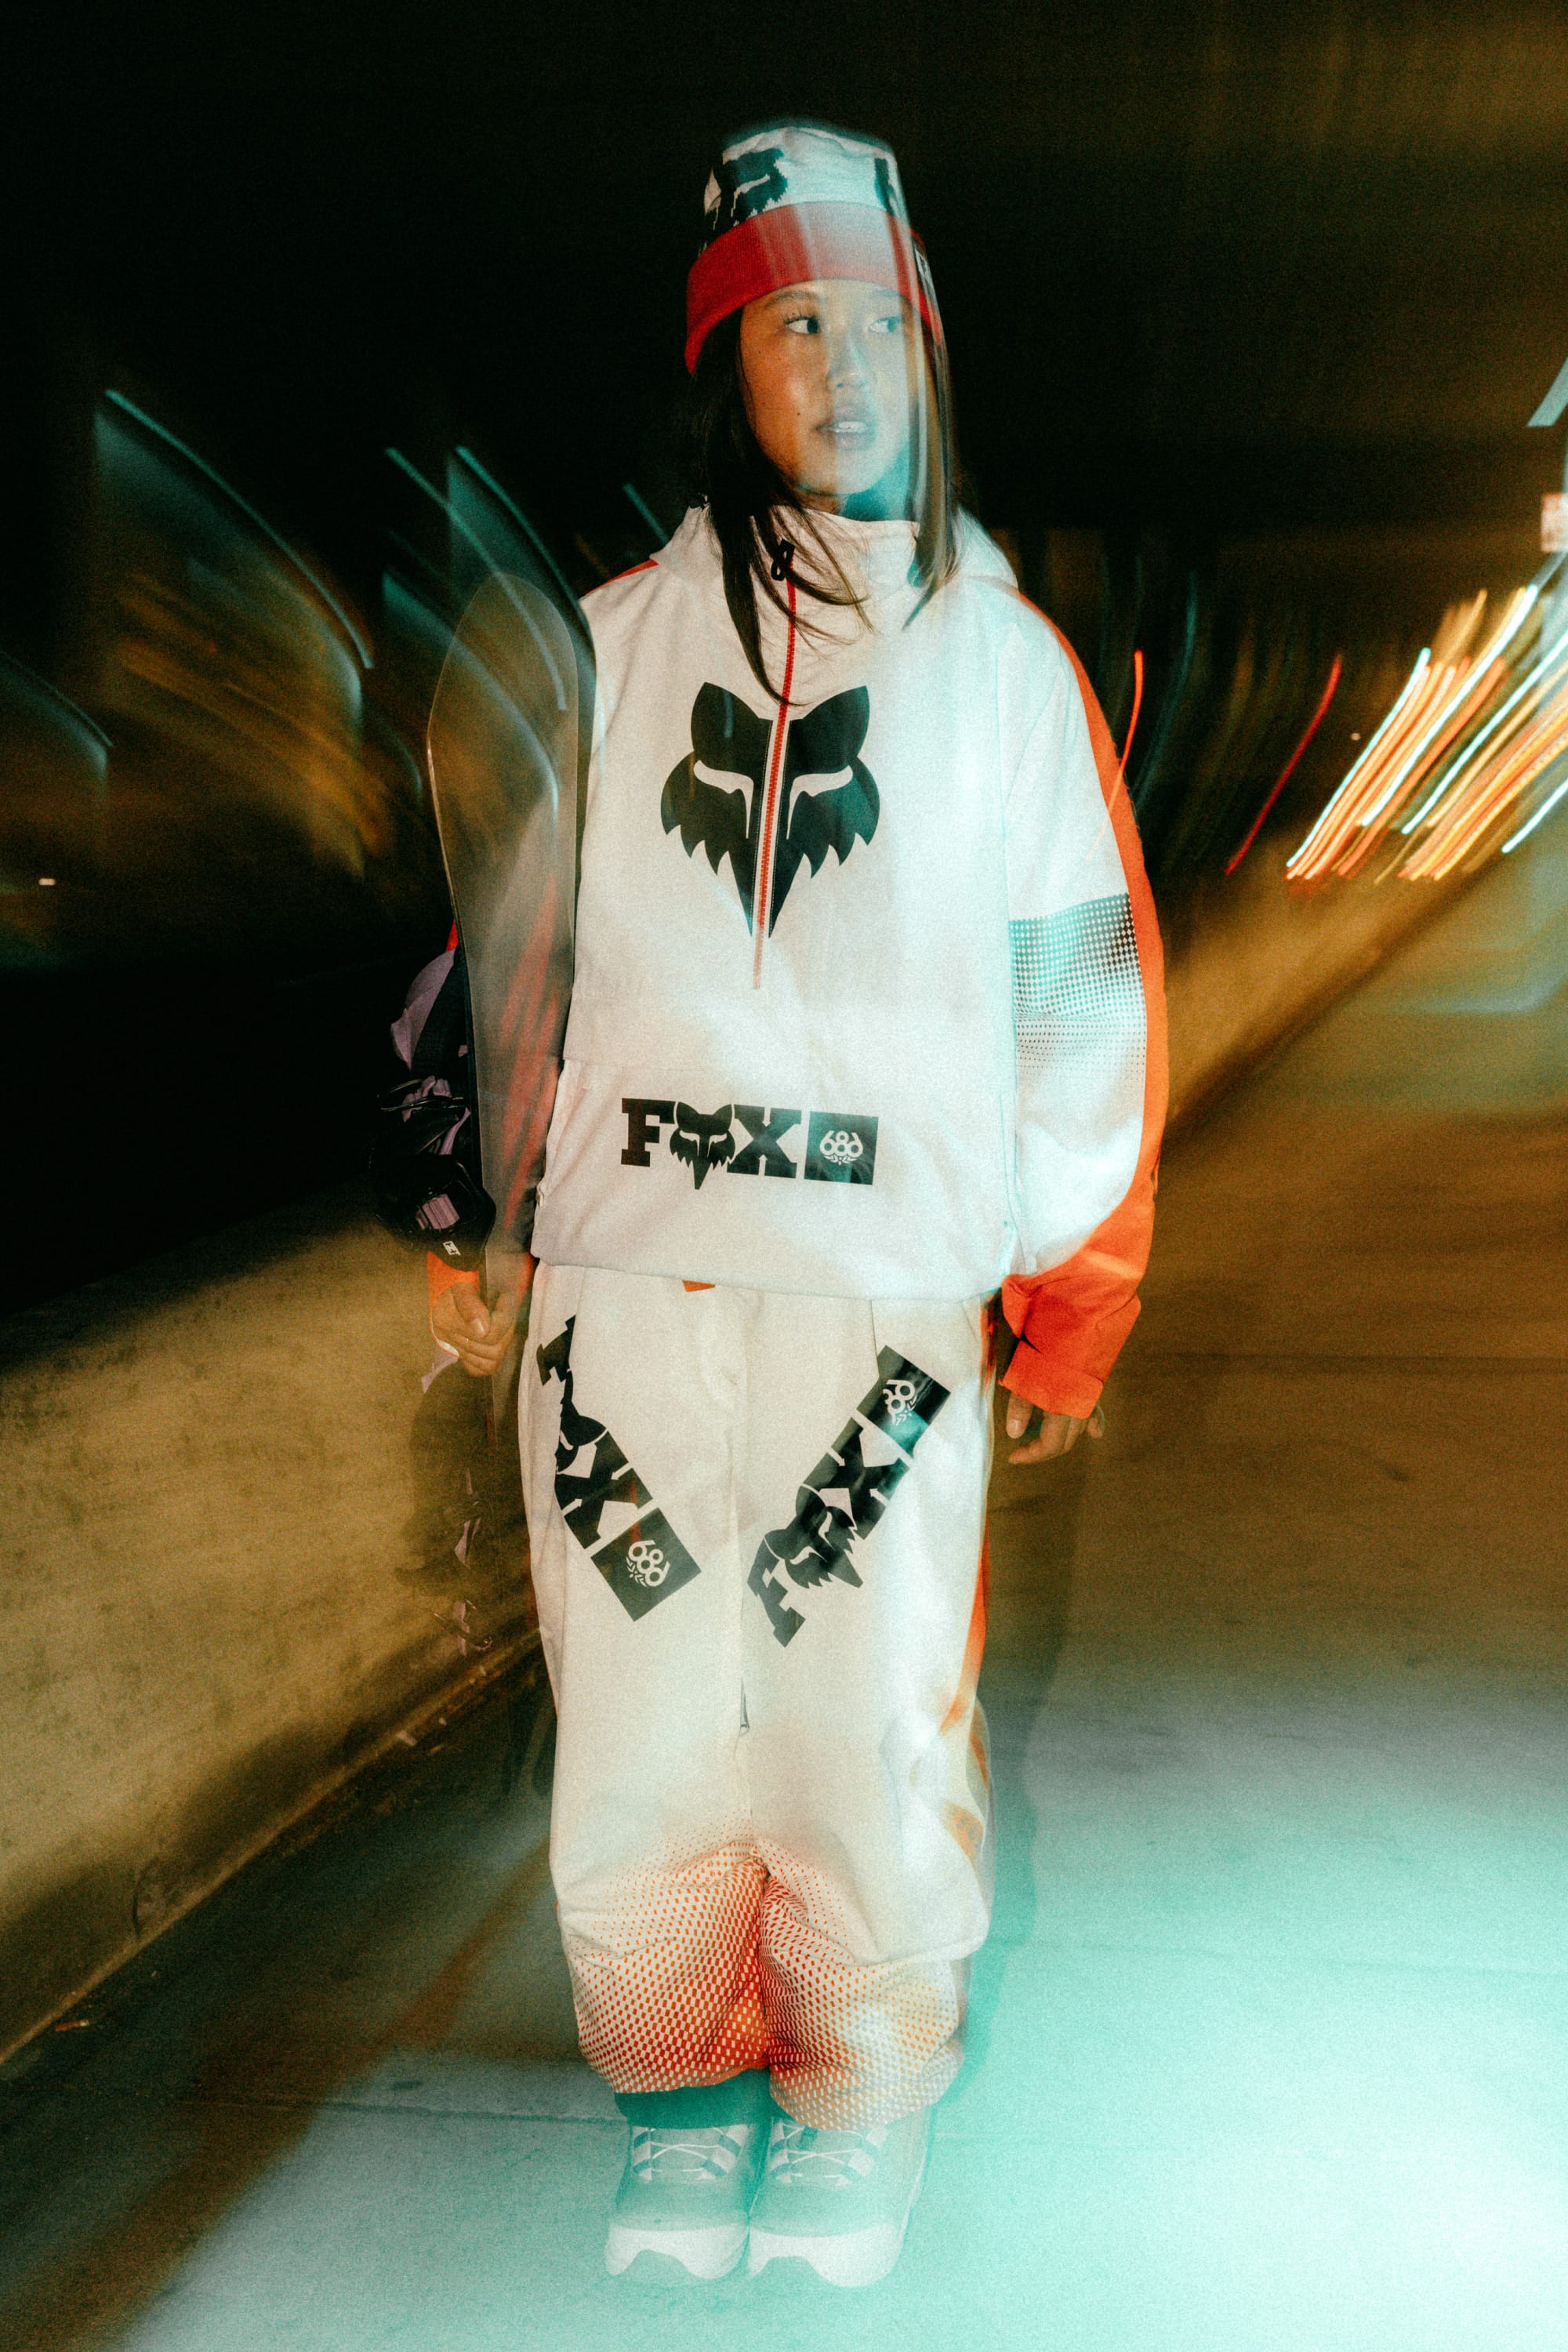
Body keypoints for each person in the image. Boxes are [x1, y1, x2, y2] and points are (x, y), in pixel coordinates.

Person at [431, 117, 1167, 2289]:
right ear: (722, 369)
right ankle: (680, 2100)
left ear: (929, 358)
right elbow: (497, 965)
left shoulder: (1003, 667)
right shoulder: (599, 650)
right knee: (647, 1714)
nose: (844, 372)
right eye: (793, 329)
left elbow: (1084, 996)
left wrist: (1075, 1296)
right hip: (626, 1294)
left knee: (862, 1716)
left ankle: (855, 2101)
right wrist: (470, 1212)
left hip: (882, 1309)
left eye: (879, 330)